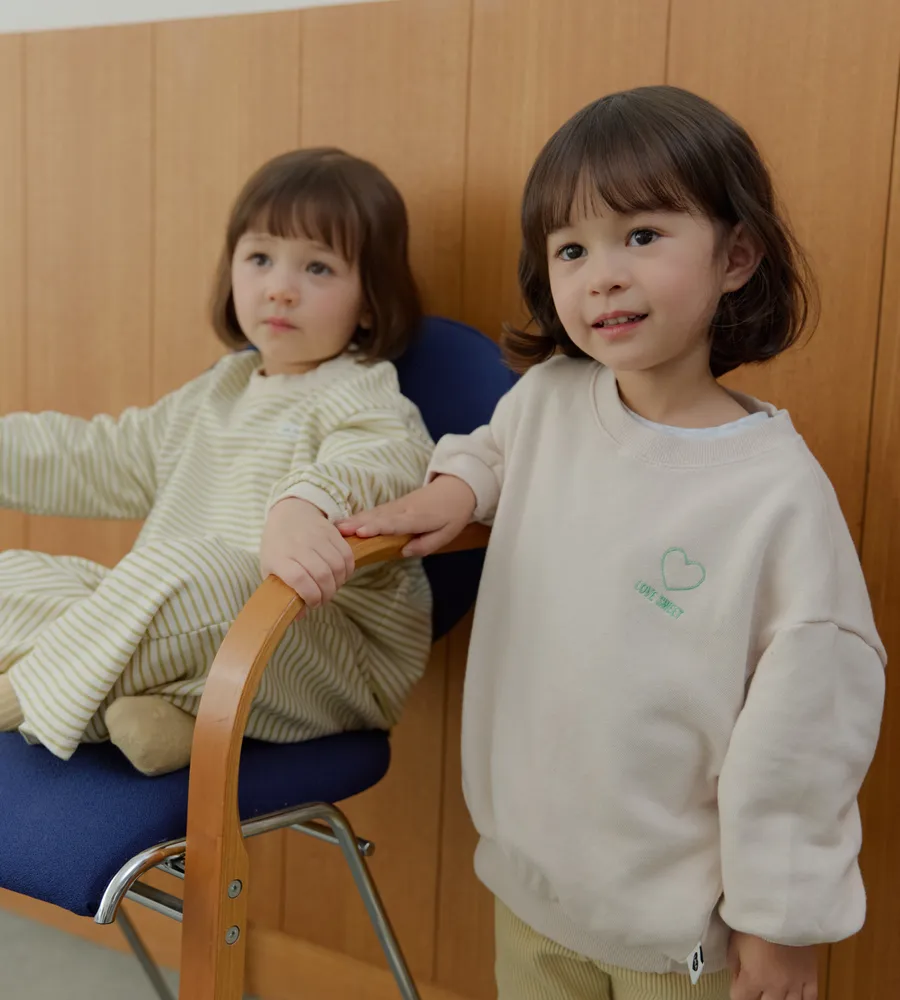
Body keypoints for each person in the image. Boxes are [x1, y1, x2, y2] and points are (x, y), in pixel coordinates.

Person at [336, 87, 885, 1000]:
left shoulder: (776, 496)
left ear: (736, 256)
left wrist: (781, 922)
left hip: (678, 932)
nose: (602, 276)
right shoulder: (551, 397)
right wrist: (454, 489)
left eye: (642, 236)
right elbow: (493, 448)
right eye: (572, 250)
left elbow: (807, 733)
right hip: (533, 889)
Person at [0, 147, 433, 777]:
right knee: (15, 577)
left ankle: (24, 696)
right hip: (199, 635)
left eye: (317, 267)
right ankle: (160, 715)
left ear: (369, 301)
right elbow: (95, 455)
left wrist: (303, 505)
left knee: (196, 572)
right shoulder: (216, 391)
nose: (280, 288)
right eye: (260, 259)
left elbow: (383, 461)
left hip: (317, 656)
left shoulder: (364, 392)